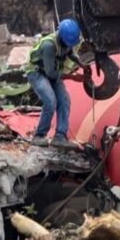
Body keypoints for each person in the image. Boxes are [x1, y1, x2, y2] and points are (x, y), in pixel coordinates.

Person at [24, 18, 90, 148]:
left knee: (64, 100)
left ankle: (60, 136)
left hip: (51, 72)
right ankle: (39, 135)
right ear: (61, 36)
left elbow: (70, 53)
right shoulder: (49, 45)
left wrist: (82, 64)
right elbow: (51, 74)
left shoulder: (66, 42)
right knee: (50, 101)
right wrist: (73, 77)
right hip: (37, 73)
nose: (69, 45)